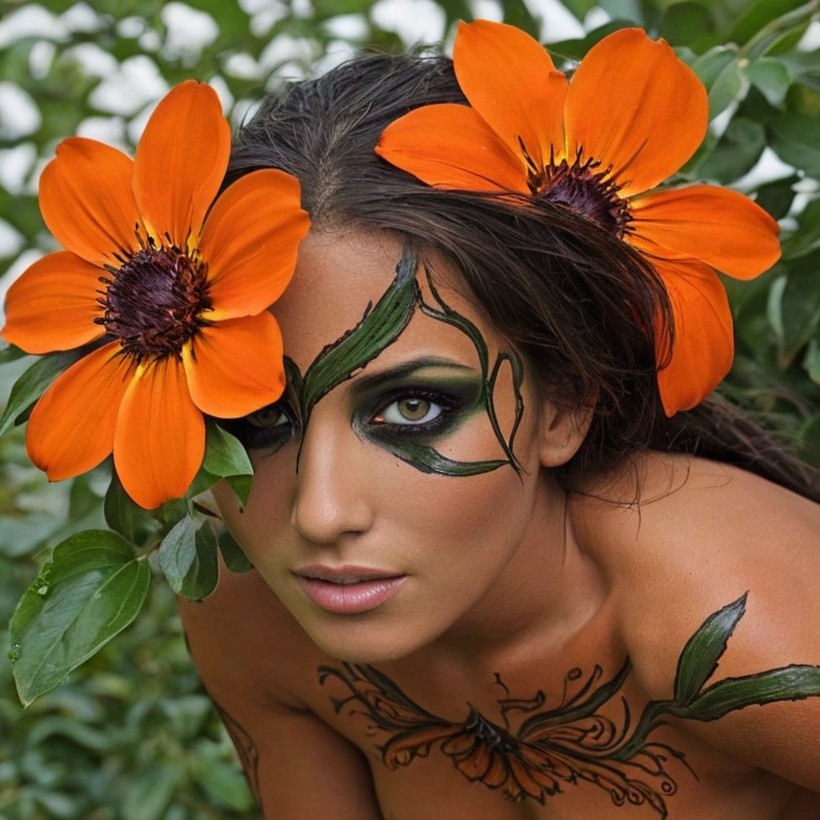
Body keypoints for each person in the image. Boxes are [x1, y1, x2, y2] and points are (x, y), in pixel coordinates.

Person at [178, 20, 820, 820]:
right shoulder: (251, 610)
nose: (321, 514)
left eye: (414, 406)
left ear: (567, 397)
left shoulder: (730, 621)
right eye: (261, 413)